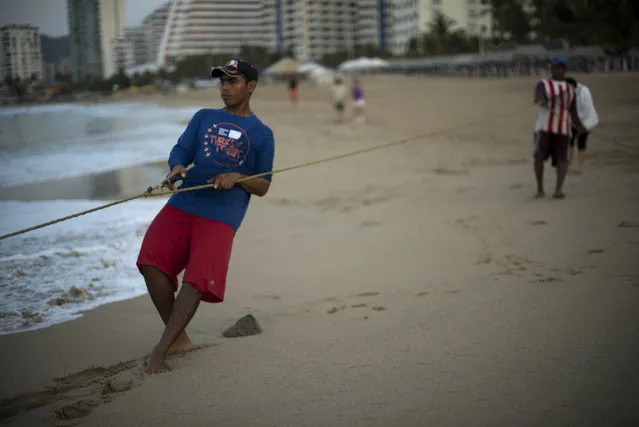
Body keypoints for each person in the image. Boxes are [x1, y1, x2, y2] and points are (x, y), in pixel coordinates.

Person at [137, 59, 275, 374]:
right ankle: (180, 337)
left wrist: (238, 177)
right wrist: (176, 167)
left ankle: (162, 348)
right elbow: (181, 151)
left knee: (198, 277)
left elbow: (264, 185)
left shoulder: (263, 134)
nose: (225, 88)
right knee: (150, 261)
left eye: (233, 81)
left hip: (222, 215)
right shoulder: (204, 118)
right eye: (222, 82)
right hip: (185, 201)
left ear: (251, 86)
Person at [533, 56, 586, 199]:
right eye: (557, 67)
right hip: (544, 126)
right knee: (539, 157)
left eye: (562, 68)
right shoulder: (543, 84)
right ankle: (540, 190)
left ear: (565, 70)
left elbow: (573, 112)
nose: (559, 70)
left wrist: (581, 127)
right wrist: (545, 101)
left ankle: (558, 190)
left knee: (562, 159)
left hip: (563, 128)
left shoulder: (570, 89)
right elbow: (538, 98)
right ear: (552, 68)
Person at [565, 77, 599, 173]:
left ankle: (581, 166)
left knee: (581, 143)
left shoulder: (584, 91)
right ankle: (569, 161)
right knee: (570, 140)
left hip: (586, 121)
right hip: (573, 120)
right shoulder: (568, 92)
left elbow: (587, 110)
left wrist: (580, 125)